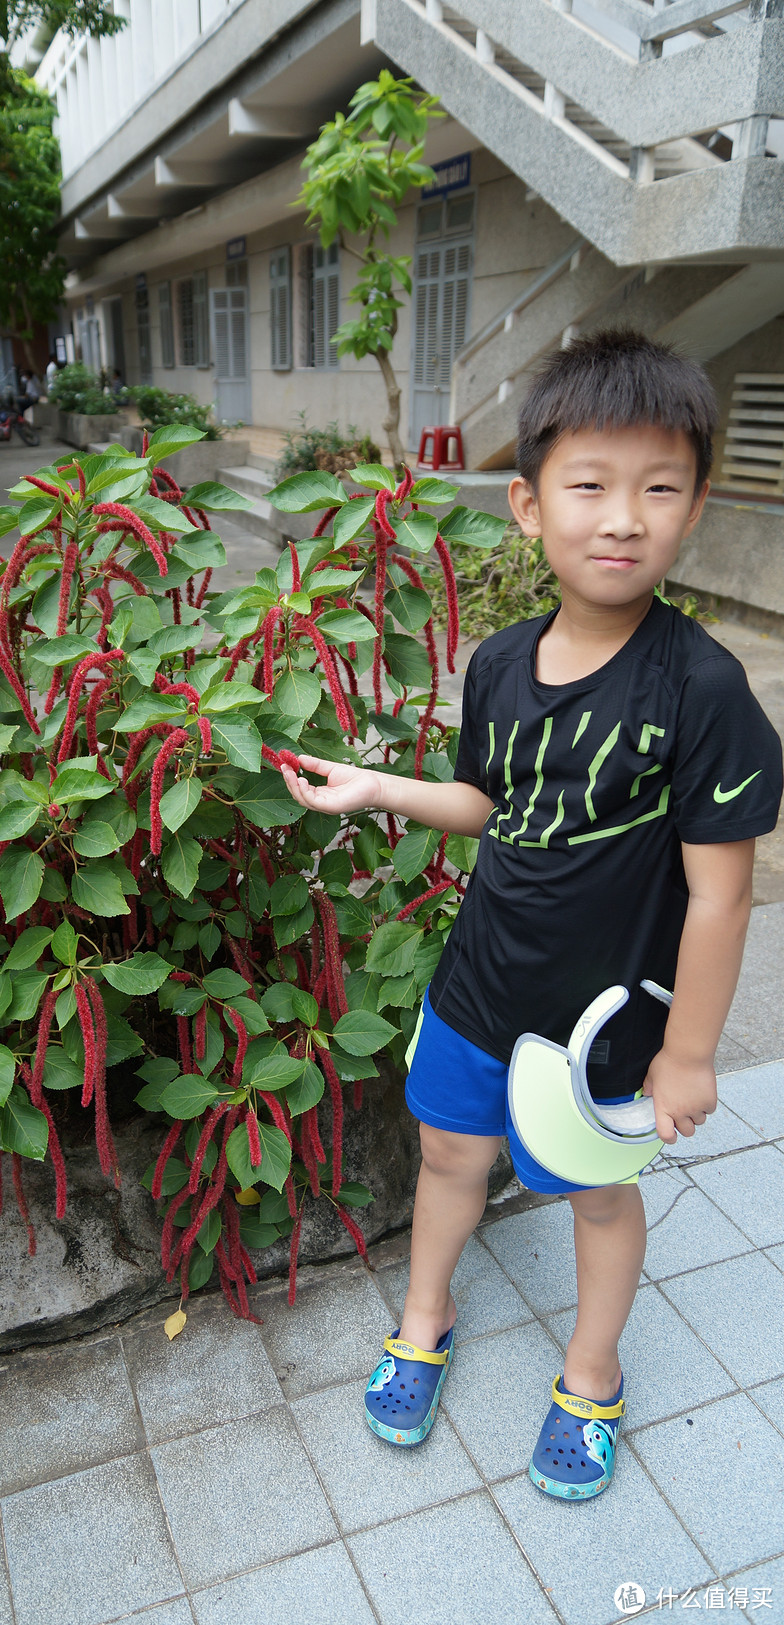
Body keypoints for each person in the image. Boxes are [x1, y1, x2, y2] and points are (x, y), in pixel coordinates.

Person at [280, 329, 783, 1501]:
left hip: (605, 1018)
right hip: (477, 984)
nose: (623, 517)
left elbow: (723, 889)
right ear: (528, 503)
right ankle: (422, 1317)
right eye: (591, 485)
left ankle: (594, 1375)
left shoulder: (703, 690)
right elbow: (490, 803)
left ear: (695, 506)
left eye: (659, 488)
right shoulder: (501, 663)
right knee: (450, 1152)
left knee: (595, 1191)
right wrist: (379, 787)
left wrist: (689, 1053)